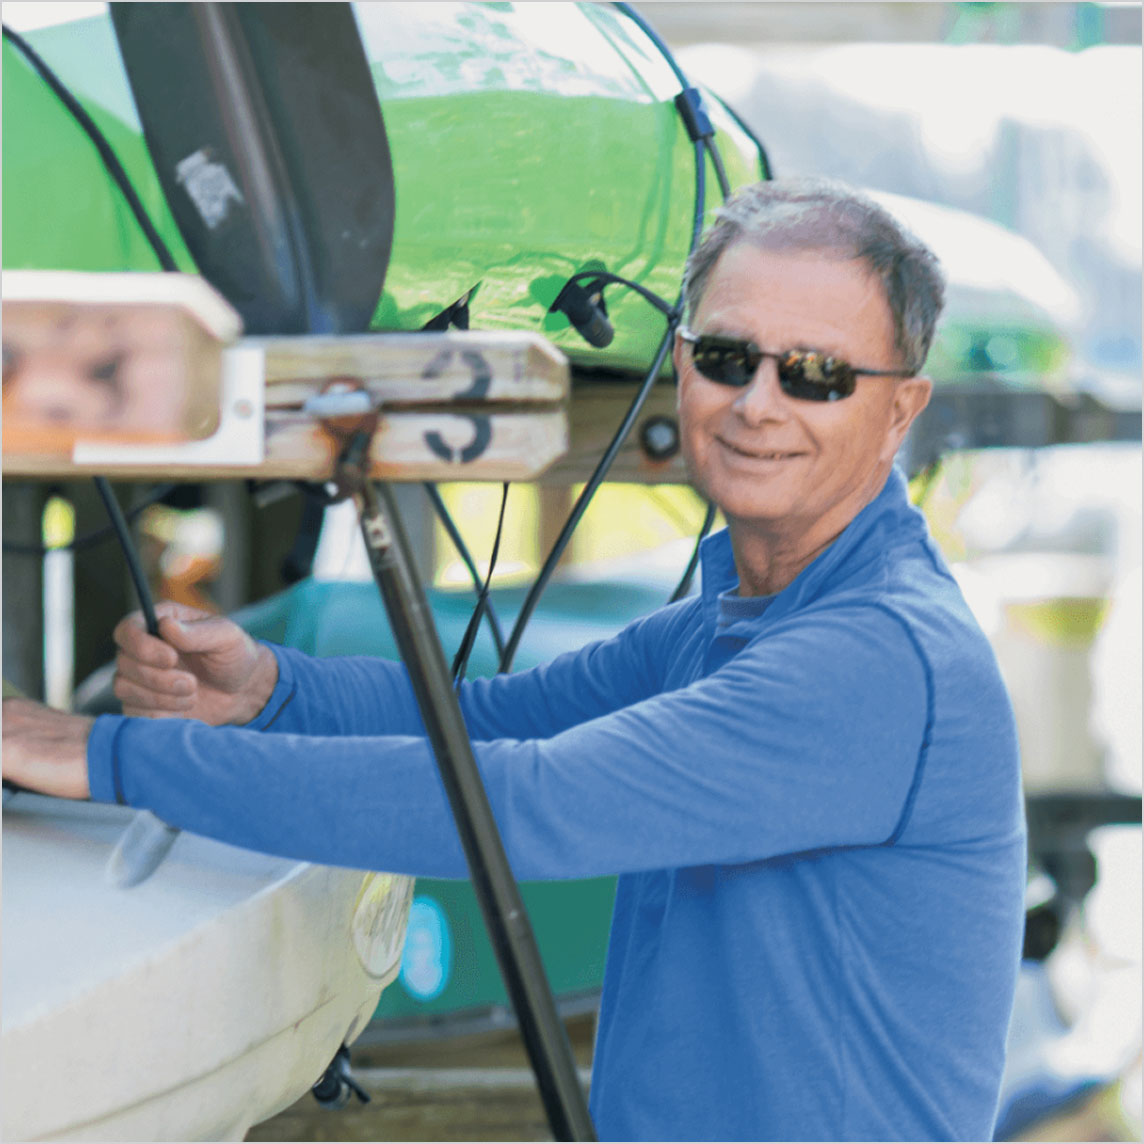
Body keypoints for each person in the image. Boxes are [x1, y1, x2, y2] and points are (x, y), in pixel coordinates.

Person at [3, 178, 1026, 1142]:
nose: (758, 403)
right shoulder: (737, 618)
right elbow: (493, 721)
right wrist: (273, 690)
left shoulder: (876, 659)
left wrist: (108, 756)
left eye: (814, 374)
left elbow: (521, 801)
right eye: (726, 357)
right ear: (680, 364)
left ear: (900, 409)